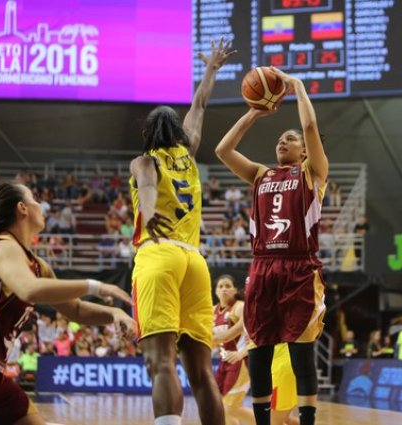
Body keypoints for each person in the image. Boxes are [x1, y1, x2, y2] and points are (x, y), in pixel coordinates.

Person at [0, 180, 136, 424]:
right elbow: (29, 289)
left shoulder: (38, 266)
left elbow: (76, 308)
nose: (40, 205)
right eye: (34, 199)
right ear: (22, 208)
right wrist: (97, 286)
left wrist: (114, 314)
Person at [130, 37, 234, 425]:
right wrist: (211, 69)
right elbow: (199, 104)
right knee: (203, 372)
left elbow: (146, 184)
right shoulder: (188, 153)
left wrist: (150, 211)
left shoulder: (144, 159)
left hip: (159, 254)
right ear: (176, 131)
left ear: (149, 133)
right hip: (195, 261)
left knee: (161, 363)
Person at [215, 67, 328, 425]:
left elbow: (310, 128)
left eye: (290, 139)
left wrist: (296, 87)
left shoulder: (312, 172)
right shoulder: (261, 174)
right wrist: (253, 111)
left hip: (299, 267)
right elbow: (223, 149)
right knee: (259, 350)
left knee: (301, 353)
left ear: (303, 149)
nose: (283, 141)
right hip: (262, 267)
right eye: (280, 138)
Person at [212, 275, 254, 425]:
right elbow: (212, 341)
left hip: (241, 361)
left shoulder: (240, 307)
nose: (224, 289)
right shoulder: (212, 311)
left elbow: (253, 336)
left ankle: (273, 422)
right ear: (215, 291)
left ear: (235, 290)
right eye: (220, 286)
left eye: (228, 286)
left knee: (229, 407)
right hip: (225, 362)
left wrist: (240, 353)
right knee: (219, 406)